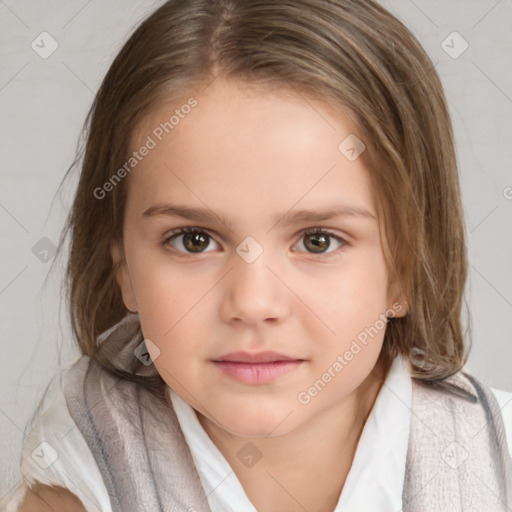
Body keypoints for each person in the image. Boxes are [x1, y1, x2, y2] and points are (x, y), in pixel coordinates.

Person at [3, 0, 512, 510]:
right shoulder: (83, 475)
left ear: (404, 268)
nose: (252, 302)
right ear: (125, 270)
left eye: (317, 241)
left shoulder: (495, 461)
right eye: (194, 240)